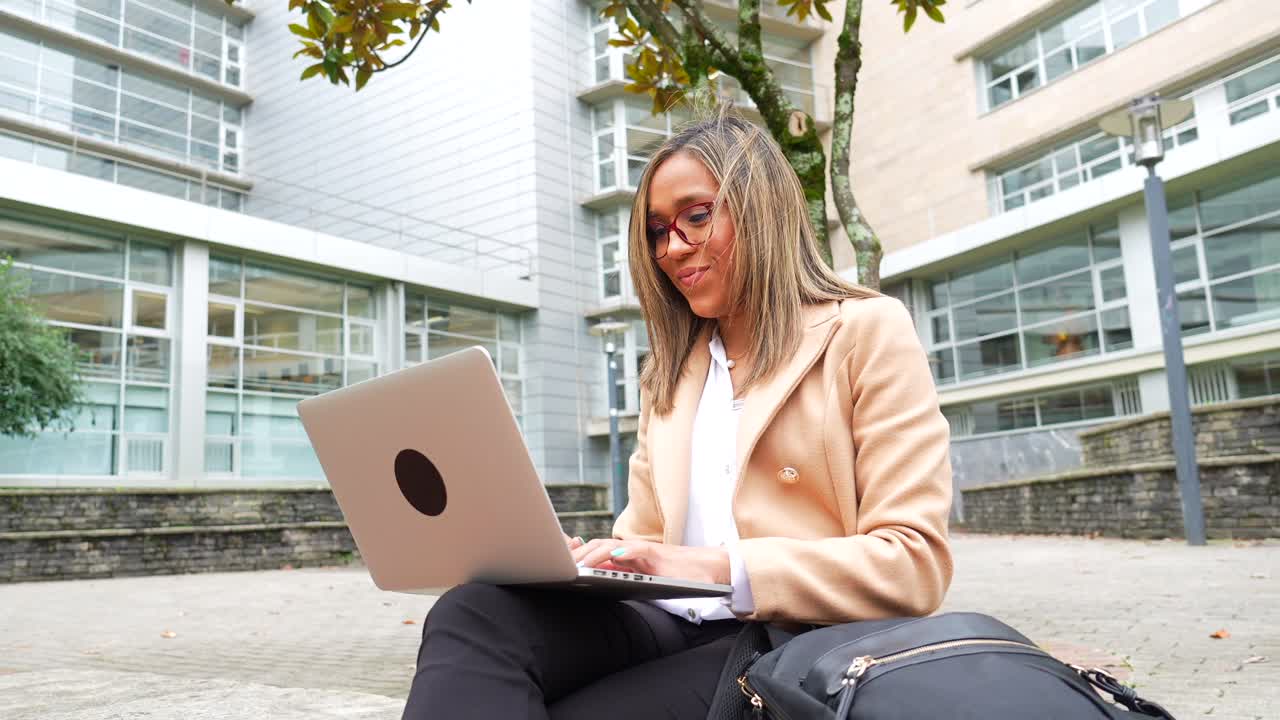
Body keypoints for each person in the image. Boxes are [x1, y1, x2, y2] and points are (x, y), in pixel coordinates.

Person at [400, 110, 953, 720]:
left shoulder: (866, 331)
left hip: (788, 638)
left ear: (762, 208)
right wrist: (585, 565)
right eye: (659, 231)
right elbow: (642, 541)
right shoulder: (673, 371)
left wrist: (715, 566)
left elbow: (913, 564)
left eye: (697, 216)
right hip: (664, 618)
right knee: (473, 610)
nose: (673, 248)